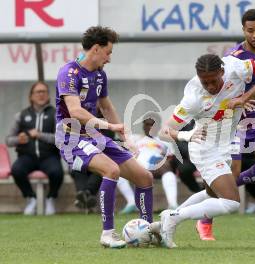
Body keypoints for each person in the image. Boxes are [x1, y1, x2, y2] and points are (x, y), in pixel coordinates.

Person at [156, 53, 255, 248]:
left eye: (214, 81)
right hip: (205, 149)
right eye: (206, 83)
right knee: (231, 202)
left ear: (222, 71)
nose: (210, 87)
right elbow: (163, 131)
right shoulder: (193, 98)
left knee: (211, 194)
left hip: (225, 145)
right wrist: (186, 136)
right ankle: (173, 218)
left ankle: (162, 222)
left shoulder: (235, 68)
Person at [55, 26, 154, 248]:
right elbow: (76, 112)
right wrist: (110, 125)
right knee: (111, 170)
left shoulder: (100, 74)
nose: (109, 58)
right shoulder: (69, 73)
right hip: (71, 139)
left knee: (145, 177)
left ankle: (148, 231)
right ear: (97, 49)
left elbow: (106, 106)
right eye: (108, 52)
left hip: (94, 137)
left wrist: (125, 135)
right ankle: (107, 233)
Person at [196, 8, 255, 241]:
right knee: (224, 179)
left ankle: (231, 184)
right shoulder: (233, 57)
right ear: (243, 30)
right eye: (250, 30)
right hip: (232, 126)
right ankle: (205, 220)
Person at [5, 81, 64, 216]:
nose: (41, 94)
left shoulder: (56, 114)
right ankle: (31, 198)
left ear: (48, 96)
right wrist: (18, 140)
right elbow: (8, 140)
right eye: (38, 92)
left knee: (57, 172)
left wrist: (40, 135)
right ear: (31, 96)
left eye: (44, 92)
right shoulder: (21, 115)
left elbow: (61, 139)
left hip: (49, 156)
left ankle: (51, 198)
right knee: (16, 170)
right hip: (27, 156)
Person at [132, 113, 179, 210]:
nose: (149, 127)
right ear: (143, 126)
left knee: (167, 170)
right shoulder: (135, 139)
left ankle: (173, 204)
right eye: (147, 124)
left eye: (152, 124)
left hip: (157, 167)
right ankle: (131, 203)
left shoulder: (165, 141)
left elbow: (170, 159)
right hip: (138, 166)